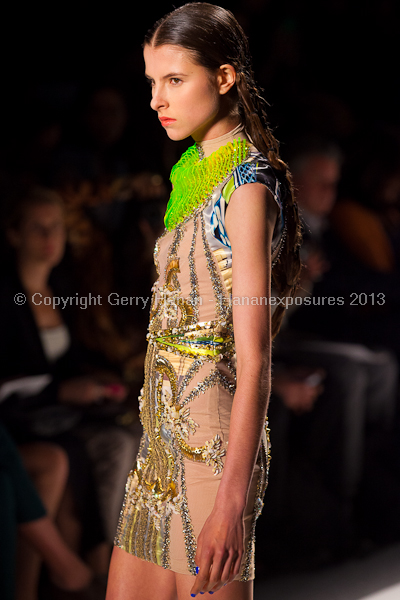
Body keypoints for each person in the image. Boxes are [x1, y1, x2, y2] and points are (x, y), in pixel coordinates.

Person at [106, 4, 301, 599]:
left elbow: (255, 359)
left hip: (211, 452)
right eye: (151, 83)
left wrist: (232, 505)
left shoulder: (245, 187)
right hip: (160, 442)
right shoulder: (194, 171)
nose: (156, 100)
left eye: (174, 80)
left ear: (224, 77)